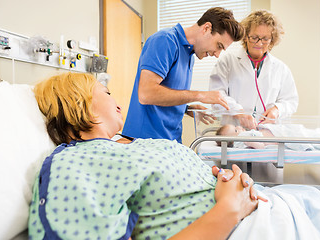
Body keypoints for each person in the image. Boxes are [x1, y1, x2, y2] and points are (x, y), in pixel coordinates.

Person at [28, 72, 263, 240]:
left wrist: (234, 182)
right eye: (106, 92)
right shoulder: (74, 162)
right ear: (79, 101)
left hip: (262, 210)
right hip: (246, 226)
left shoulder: (124, 146)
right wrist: (229, 208)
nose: (114, 97)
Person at [122, 7, 244, 143]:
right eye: (219, 45)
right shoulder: (165, 41)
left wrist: (186, 108)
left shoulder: (190, 55)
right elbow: (146, 94)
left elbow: (166, 92)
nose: (217, 54)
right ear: (206, 28)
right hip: (146, 141)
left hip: (170, 141)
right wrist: (200, 95)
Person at [209, 10, 299, 130]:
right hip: (234, 131)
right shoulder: (227, 62)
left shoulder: (280, 68)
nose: (259, 43)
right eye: (254, 37)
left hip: (266, 133)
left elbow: (290, 101)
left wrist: (277, 110)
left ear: (272, 40)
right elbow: (216, 96)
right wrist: (239, 113)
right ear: (246, 36)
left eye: (265, 38)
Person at [216, 123, 320, 151]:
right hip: (281, 136)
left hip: (279, 132)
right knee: (305, 136)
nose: (239, 127)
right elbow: (259, 146)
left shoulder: (244, 135)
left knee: (304, 133)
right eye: (236, 130)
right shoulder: (243, 137)